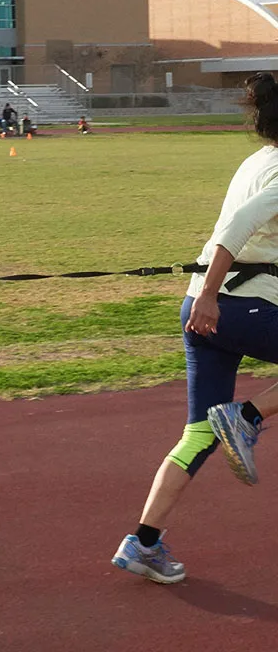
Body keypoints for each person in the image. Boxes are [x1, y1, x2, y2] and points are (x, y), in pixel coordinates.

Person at [112, 71, 278, 584]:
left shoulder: (258, 160)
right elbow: (236, 229)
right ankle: (247, 416)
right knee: (224, 423)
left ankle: (143, 543)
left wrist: (203, 299)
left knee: (198, 434)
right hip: (234, 306)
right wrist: (210, 295)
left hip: (202, 310)